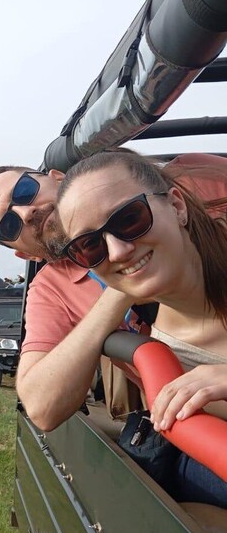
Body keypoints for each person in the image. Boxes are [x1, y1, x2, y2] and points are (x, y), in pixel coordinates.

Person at [0, 153, 227, 431]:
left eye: (25, 191)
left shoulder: (192, 183)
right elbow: (42, 407)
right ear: (25, 255)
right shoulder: (53, 288)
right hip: (194, 424)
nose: (26, 212)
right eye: (9, 225)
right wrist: (124, 279)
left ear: (58, 178)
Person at [56, 150, 227, 507]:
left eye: (130, 218)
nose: (117, 251)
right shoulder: (168, 356)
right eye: (90, 246)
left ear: (177, 206)